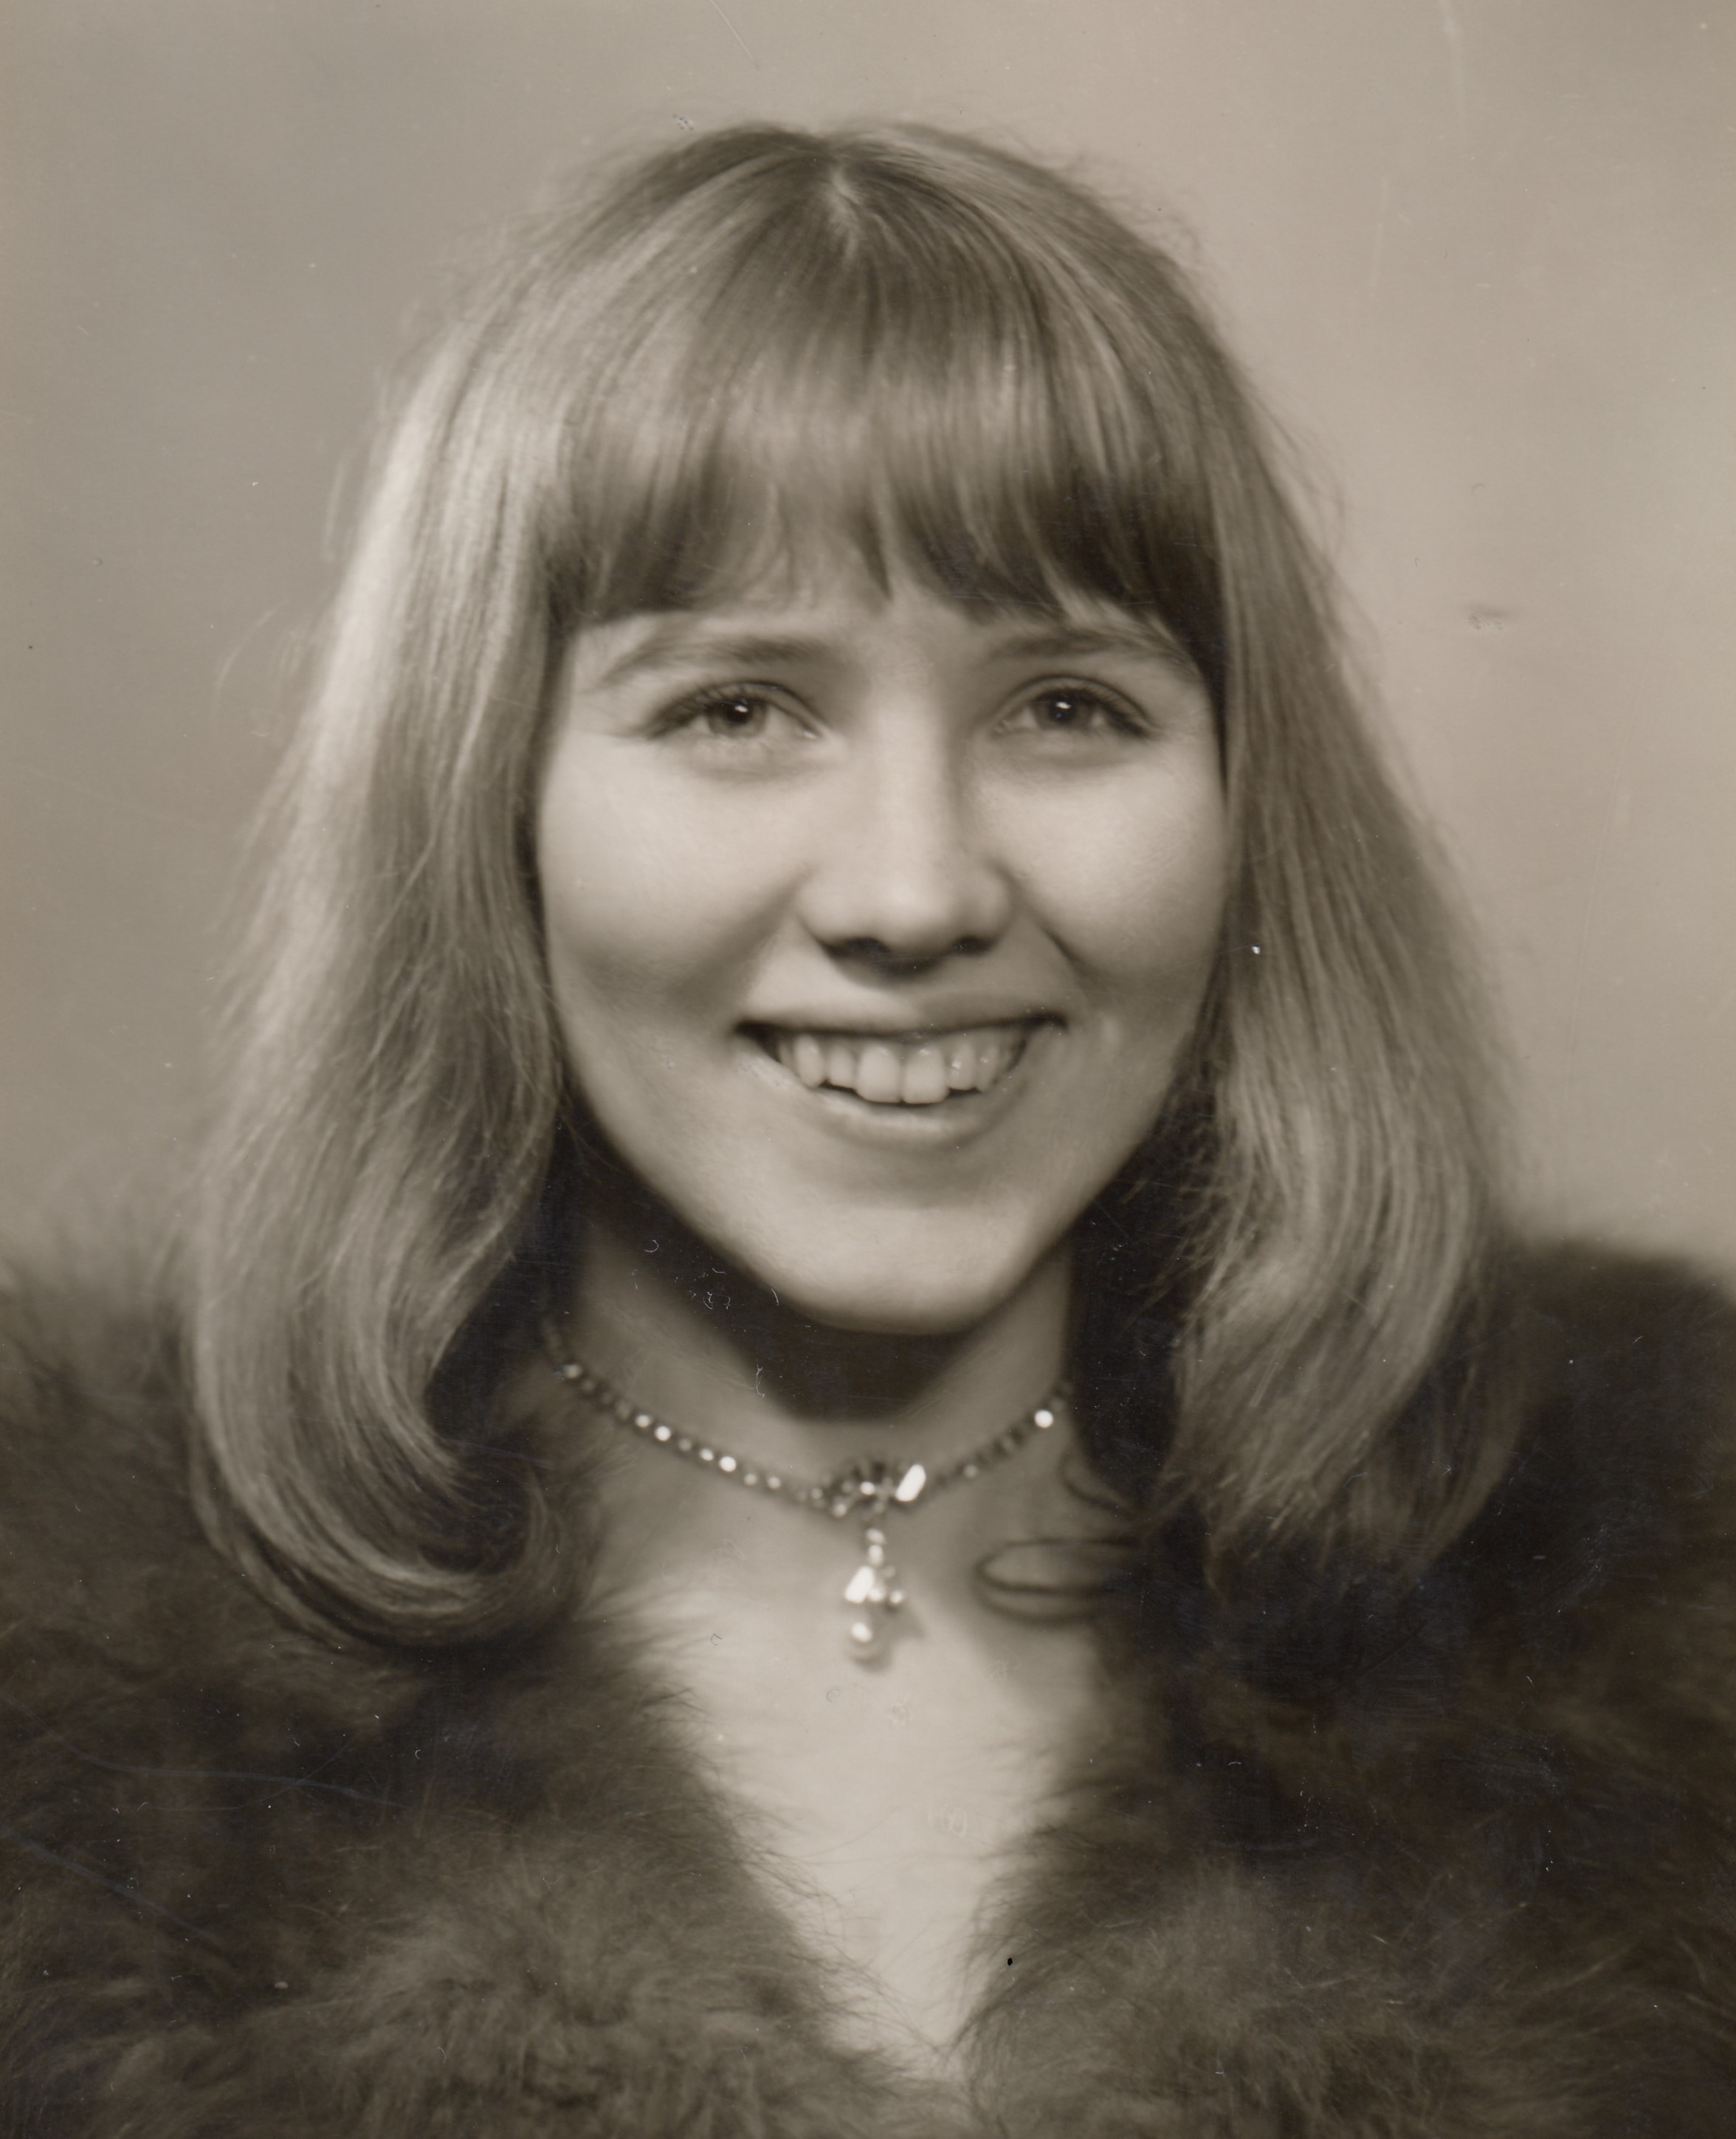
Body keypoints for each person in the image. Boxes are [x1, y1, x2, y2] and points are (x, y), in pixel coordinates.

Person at [1, 122, 1731, 2138]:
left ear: (1249, 807)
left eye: (1068, 707)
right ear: (486, 810)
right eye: (736, 708)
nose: (914, 894)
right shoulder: (61, 1675)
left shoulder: (1659, 1599)